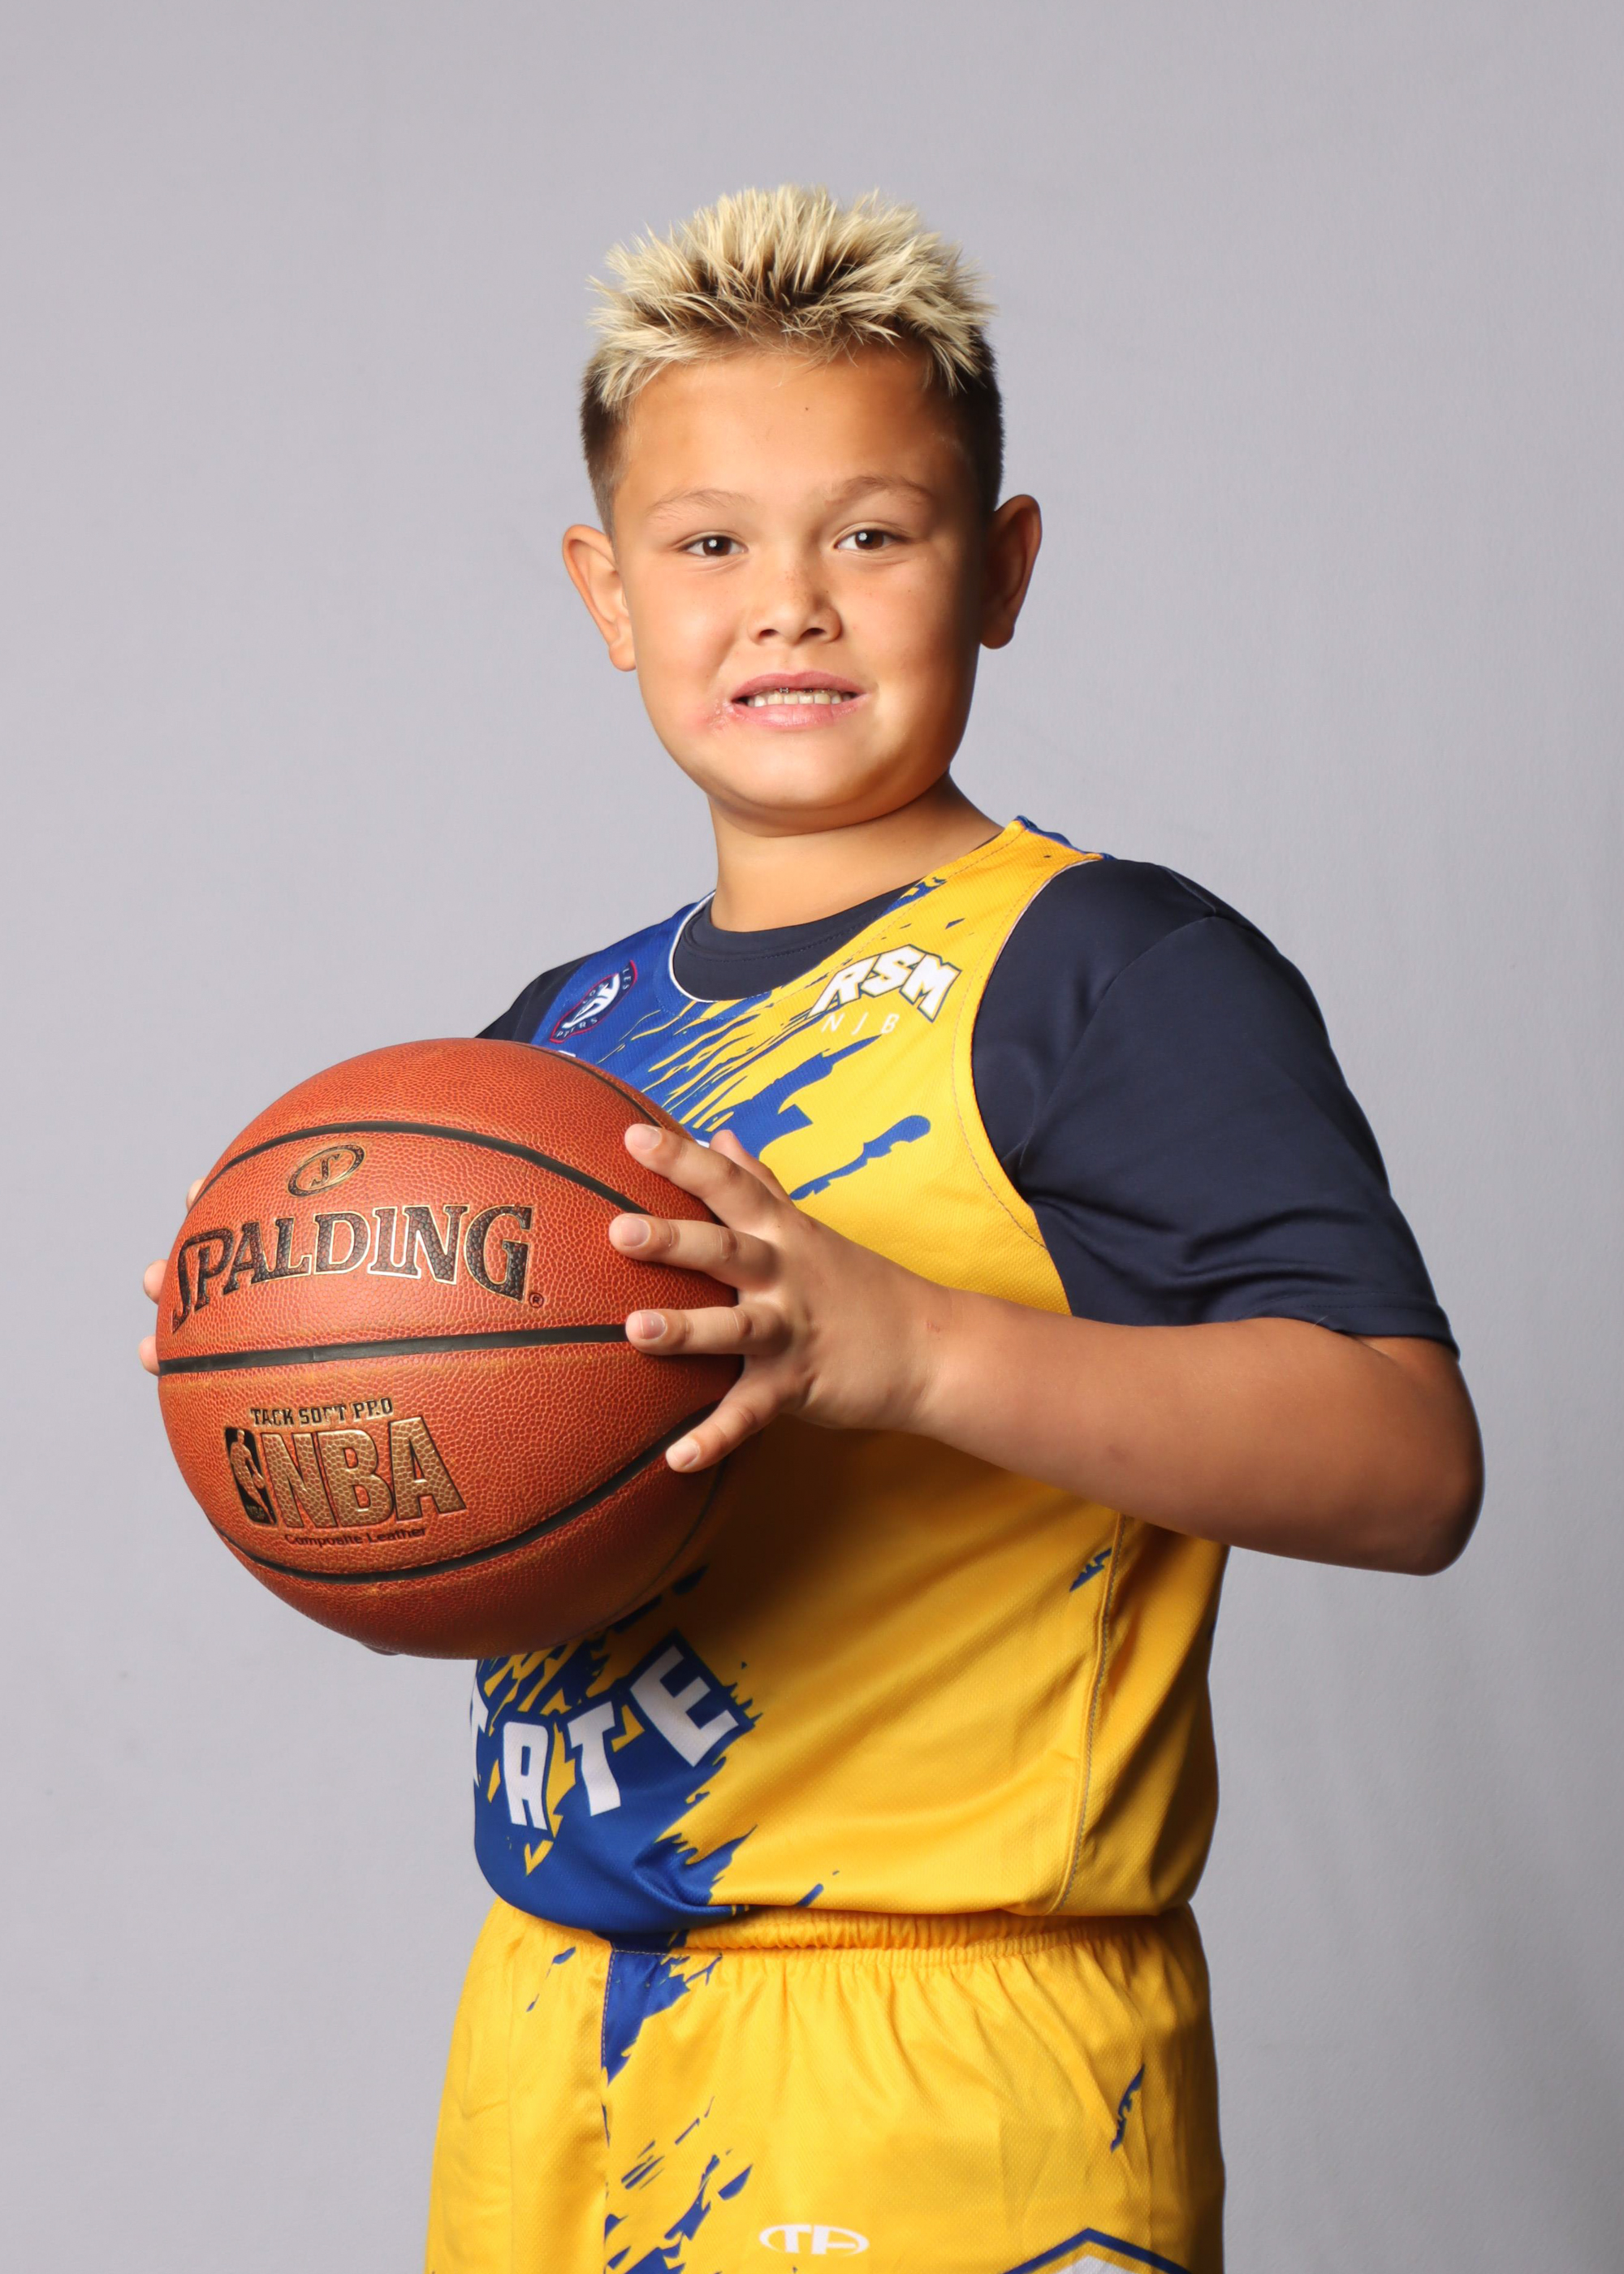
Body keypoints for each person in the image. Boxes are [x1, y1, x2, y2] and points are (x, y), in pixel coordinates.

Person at [142, 184, 1482, 2274]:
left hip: (946, 2040)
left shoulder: (1100, 970)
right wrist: (281, 1365)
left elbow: (1404, 1462)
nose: (789, 605)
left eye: (871, 533)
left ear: (1000, 568)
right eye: (708, 545)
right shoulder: (549, 1046)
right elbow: (511, 1495)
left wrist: (919, 1345)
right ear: (605, 590)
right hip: (552, 2020)